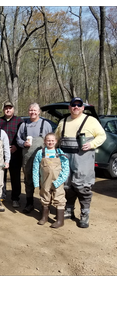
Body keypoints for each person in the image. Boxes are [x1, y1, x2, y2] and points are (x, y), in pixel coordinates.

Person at [54, 97, 107, 228]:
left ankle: (84, 214)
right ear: (69, 107)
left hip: (83, 159)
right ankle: (69, 209)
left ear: (83, 108)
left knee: (83, 187)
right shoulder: (63, 121)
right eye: (73, 105)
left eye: (79, 105)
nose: (76, 107)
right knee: (67, 185)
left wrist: (92, 144)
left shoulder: (91, 121)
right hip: (66, 159)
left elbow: (102, 136)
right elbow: (56, 139)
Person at [16, 103, 52, 214]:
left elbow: (51, 140)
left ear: (39, 112)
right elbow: (18, 139)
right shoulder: (24, 125)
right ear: (28, 111)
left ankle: (44, 205)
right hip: (27, 158)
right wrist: (23, 144)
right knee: (28, 181)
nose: (32, 112)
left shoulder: (45, 124)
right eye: (31, 110)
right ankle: (29, 203)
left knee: (44, 181)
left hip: (43, 158)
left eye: (35, 110)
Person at [32, 132, 70, 228]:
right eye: (48, 140)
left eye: (52, 140)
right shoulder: (40, 153)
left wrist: (59, 181)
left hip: (58, 181)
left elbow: (66, 168)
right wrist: (36, 182)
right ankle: (44, 217)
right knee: (45, 198)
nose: (50, 142)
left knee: (59, 198)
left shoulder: (60, 153)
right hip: (45, 181)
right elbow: (35, 167)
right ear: (45, 141)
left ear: (56, 141)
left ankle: (60, 220)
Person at [0, 101, 23, 208]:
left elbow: (22, 136)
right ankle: (1, 195)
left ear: (13, 109)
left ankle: (15, 198)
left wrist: (16, 146)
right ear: (3, 109)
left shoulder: (19, 121)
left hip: (15, 153)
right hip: (1, 154)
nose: (8, 110)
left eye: (10, 108)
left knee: (15, 177)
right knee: (1, 176)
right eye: (6, 108)